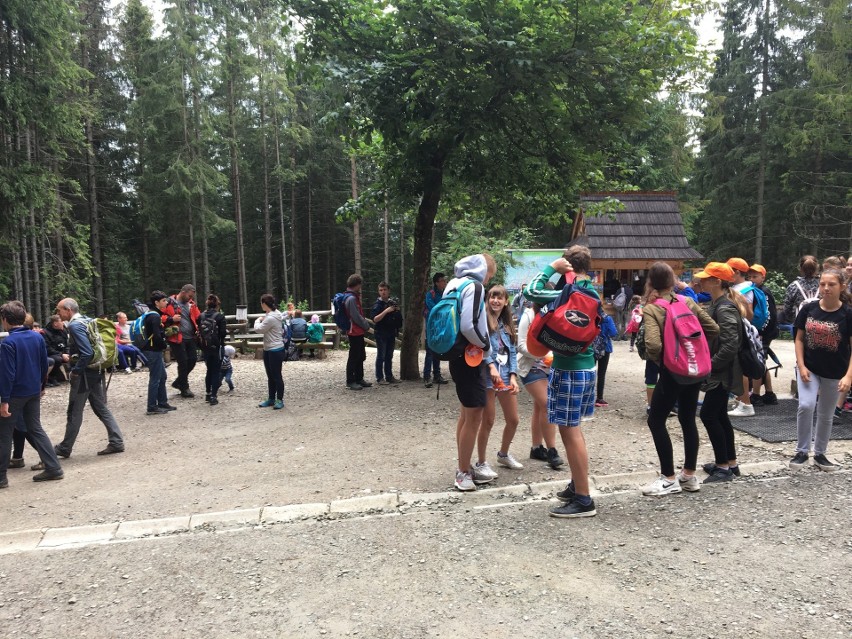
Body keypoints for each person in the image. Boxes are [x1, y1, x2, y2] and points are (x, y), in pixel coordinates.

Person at [524, 245, 600, 518]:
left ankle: (583, 500)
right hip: (587, 367)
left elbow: (529, 292)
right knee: (574, 430)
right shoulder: (591, 291)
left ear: (567, 265)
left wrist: (550, 269)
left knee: (570, 431)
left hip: (569, 369)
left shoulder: (566, 293)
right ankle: (577, 482)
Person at [639, 263, 719, 496]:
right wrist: (693, 349)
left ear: (651, 283)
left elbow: (653, 344)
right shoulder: (688, 302)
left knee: (655, 420)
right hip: (693, 370)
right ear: (673, 282)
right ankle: (689, 476)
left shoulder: (653, 309)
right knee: (687, 419)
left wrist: (664, 361)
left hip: (672, 372)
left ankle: (668, 478)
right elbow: (712, 328)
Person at [789, 268, 852, 471]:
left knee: (826, 414)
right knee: (806, 406)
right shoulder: (809, 309)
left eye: (831, 284)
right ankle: (801, 451)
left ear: (842, 286)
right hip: (810, 368)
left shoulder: (848, 314)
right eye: (823, 284)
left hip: (835, 371)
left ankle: (820, 453)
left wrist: (849, 376)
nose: (826, 288)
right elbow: (799, 339)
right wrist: (801, 365)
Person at [0, 301, 64, 487]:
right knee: (35, 428)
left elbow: (7, 374)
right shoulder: (37, 337)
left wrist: (4, 400)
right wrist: (42, 386)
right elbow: (45, 364)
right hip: (33, 391)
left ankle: (2, 477)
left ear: (5, 320)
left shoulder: (8, 343)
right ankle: (53, 467)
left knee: (4, 434)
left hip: (15, 394)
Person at [693, 263, 747, 483]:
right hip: (721, 372)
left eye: (706, 278)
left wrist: (710, 366)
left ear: (717, 281)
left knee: (708, 415)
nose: (701, 281)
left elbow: (730, 345)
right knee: (720, 416)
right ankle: (730, 463)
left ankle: (723, 468)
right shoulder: (719, 303)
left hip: (721, 374)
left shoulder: (724, 307)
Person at [446, 254, 494, 491]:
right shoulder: (474, 287)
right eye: (489, 276)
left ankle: (464, 465)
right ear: (484, 270)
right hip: (470, 358)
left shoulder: (453, 284)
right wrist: (486, 345)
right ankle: (463, 472)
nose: (487, 281)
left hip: (455, 354)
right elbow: (468, 325)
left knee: (466, 414)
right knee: (474, 414)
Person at [54, 298, 125, 457]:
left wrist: (76, 371)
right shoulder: (87, 320)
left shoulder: (74, 325)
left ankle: (65, 447)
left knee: (74, 411)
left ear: (68, 309)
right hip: (95, 370)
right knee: (100, 407)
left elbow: (87, 353)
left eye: (59, 310)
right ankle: (116, 441)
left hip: (84, 374)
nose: (57, 313)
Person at [473, 285, 522, 481]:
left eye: (499, 298)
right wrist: (491, 366)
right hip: (487, 377)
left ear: (506, 301)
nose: (495, 301)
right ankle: (481, 463)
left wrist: (513, 376)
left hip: (504, 375)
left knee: (514, 419)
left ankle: (503, 454)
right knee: (489, 420)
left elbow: (511, 351)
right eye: (492, 297)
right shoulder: (483, 320)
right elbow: (480, 347)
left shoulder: (507, 323)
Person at [517, 303, 563, 469]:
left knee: (539, 407)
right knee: (547, 404)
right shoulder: (528, 316)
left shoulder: (555, 314)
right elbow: (521, 345)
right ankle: (552, 450)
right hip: (531, 366)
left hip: (551, 367)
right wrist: (542, 353)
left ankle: (536, 448)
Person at [726, 257, 757, 417]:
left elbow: (748, 314)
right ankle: (741, 401)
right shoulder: (744, 287)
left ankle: (746, 403)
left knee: (740, 369)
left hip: (741, 332)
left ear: (736, 272)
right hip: (740, 331)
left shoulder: (743, 289)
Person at [747, 264, 779, 406]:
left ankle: (756, 395)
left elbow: (768, 315)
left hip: (763, 333)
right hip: (762, 333)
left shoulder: (763, 292)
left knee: (757, 362)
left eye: (755, 276)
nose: (752, 279)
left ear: (763, 277)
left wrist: (760, 334)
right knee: (762, 362)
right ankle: (770, 394)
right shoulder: (755, 290)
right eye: (750, 276)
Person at [140, 291, 176, 415]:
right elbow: (156, 335)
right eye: (163, 301)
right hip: (152, 350)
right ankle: (152, 407)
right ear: (156, 303)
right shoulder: (154, 316)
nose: (166, 303)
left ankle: (162, 402)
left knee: (162, 376)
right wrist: (164, 345)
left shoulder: (151, 314)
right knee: (155, 377)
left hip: (152, 349)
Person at [163, 284, 201, 398]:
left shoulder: (191, 304)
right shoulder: (169, 302)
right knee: (183, 362)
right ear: (183, 292)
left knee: (193, 360)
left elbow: (198, 317)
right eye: (189, 296)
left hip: (190, 337)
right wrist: (171, 319)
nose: (191, 298)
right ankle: (184, 388)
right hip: (176, 337)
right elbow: (160, 316)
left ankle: (178, 381)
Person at [254, 294, 287, 409]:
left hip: (275, 349)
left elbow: (259, 329)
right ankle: (271, 398)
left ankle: (280, 400)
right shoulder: (274, 313)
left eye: (261, 303)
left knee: (276, 375)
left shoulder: (271, 317)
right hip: (268, 349)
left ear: (264, 304)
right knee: (270, 375)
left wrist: (257, 320)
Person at [342, 275, 373, 391]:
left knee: (360, 355)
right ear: (357, 284)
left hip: (357, 331)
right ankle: (350, 380)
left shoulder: (351, 296)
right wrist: (366, 325)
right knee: (354, 356)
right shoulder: (351, 299)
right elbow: (355, 316)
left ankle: (359, 378)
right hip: (354, 331)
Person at [372, 282, 404, 384]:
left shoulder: (392, 303)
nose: (383, 292)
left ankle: (389, 376)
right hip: (381, 333)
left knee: (389, 356)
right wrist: (386, 311)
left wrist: (396, 310)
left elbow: (399, 319)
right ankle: (380, 377)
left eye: (385, 290)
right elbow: (375, 319)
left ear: (388, 290)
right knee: (381, 356)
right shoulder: (377, 304)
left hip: (391, 332)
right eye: (381, 290)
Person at [199, 294, 227, 406]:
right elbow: (223, 333)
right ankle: (213, 396)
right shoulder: (219, 317)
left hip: (205, 347)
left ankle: (207, 393)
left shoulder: (201, 316)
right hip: (217, 347)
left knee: (209, 370)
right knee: (216, 371)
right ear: (217, 305)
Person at [423, 272, 448, 388]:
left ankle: (437, 375)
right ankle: (427, 376)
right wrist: (442, 309)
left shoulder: (445, 294)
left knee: (438, 351)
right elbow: (432, 308)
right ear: (436, 282)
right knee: (429, 352)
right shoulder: (430, 294)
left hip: (441, 326)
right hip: (431, 327)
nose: (444, 282)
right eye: (442, 280)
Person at [782, 255, 820, 331]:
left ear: (800, 268)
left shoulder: (793, 286)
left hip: (799, 326)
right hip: (821, 326)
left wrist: (794, 320)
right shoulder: (824, 284)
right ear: (817, 267)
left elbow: (787, 309)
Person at [594, 313, 618, 407]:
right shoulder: (607, 318)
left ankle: (587, 397)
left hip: (591, 347)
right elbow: (613, 333)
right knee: (601, 373)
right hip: (605, 347)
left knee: (590, 372)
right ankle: (599, 398)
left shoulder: (591, 316)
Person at [41, 315, 70, 386]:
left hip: (62, 353)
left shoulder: (63, 331)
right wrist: (61, 355)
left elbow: (67, 345)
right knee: (57, 359)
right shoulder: (45, 333)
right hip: (51, 354)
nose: (63, 323)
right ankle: (50, 377)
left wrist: (68, 353)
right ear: (55, 323)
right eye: (61, 321)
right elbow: (47, 348)